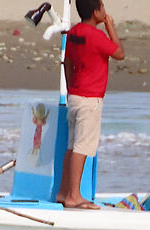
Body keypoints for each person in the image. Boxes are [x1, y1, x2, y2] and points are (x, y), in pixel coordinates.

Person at [55, 0, 124, 209]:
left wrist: (68, 90)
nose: (105, 11)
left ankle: (64, 192)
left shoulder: (74, 32)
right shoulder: (96, 35)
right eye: (102, 7)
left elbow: (66, 62)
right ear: (96, 12)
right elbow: (119, 53)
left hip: (75, 95)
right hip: (89, 98)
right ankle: (74, 196)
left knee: (72, 146)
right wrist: (110, 26)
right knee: (82, 147)